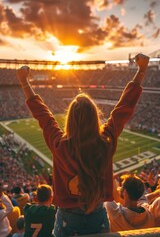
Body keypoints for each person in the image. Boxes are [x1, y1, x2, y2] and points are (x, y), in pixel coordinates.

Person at [16, 53, 150, 236]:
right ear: (95, 117)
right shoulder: (106, 141)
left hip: (67, 218)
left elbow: (44, 116)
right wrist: (141, 71)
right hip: (97, 215)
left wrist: (25, 83)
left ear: (70, 119)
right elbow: (123, 108)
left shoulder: (60, 145)